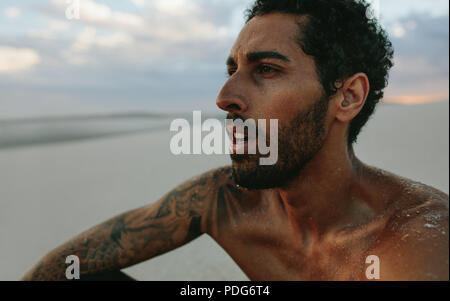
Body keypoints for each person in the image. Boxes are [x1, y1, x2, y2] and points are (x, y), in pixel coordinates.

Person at [22, 0, 448, 281]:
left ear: (347, 96)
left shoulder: (414, 243)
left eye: (266, 70)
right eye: (232, 70)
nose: (226, 98)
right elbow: (62, 268)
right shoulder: (224, 201)